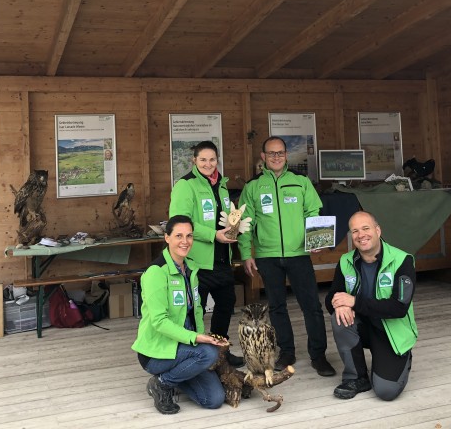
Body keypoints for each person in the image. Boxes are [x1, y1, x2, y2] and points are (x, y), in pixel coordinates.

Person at [238, 136, 336, 377]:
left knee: (311, 306)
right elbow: (244, 222)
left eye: (280, 153)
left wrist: (317, 240)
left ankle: (318, 355)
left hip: (299, 254)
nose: (276, 157)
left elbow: (314, 211)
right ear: (263, 157)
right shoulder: (253, 187)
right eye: (271, 153)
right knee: (277, 307)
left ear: (286, 155)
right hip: (266, 255)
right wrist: (246, 254)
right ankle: (288, 351)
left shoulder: (301, 182)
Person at [132, 215, 228, 415]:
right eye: (178, 236)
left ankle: (176, 375)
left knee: (214, 399)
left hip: (185, 349)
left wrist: (203, 338)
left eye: (189, 236)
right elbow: (159, 321)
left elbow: (198, 310)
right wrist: (196, 339)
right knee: (207, 354)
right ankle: (162, 383)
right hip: (157, 353)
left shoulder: (191, 269)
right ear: (167, 238)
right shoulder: (156, 272)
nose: (185, 241)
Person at [326, 211, 417, 401]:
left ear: (377, 230)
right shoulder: (346, 261)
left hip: (391, 332)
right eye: (355, 231)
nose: (361, 235)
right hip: (363, 327)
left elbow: (399, 308)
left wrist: (353, 302)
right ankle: (357, 377)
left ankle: (402, 358)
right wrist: (339, 304)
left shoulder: (402, 260)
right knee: (339, 316)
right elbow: (330, 298)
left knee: (386, 392)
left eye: (366, 228)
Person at [168, 141, 244, 367]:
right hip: (197, 262)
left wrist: (234, 229)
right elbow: (181, 222)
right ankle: (195, 355)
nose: (208, 164)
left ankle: (220, 352)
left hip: (222, 259)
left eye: (212, 159)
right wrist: (214, 235)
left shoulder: (222, 185)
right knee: (194, 312)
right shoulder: (185, 185)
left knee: (226, 304)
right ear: (194, 161)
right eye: (203, 160)